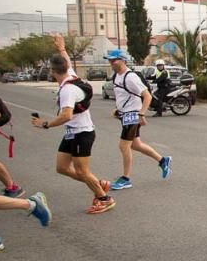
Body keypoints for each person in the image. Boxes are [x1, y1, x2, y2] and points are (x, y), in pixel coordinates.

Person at [31, 35, 115, 214]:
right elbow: (67, 61)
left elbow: (66, 116)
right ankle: (96, 183)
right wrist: (61, 48)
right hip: (72, 133)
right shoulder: (69, 75)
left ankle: (103, 198)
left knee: (83, 171)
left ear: (53, 71)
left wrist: (45, 124)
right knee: (61, 167)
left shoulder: (68, 90)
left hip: (82, 133)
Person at [104, 49, 171, 190]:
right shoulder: (117, 76)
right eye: (109, 60)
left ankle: (125, 178)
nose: (111, 62)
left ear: (122, 60)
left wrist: (141, 114)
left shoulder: (131, 77)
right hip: (126, 114)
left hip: (132, 115)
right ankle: (162, 160)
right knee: (135, 145)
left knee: (124, 146)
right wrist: (118, 109)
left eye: (113, 60)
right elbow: (125, 95)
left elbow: (147, 96)